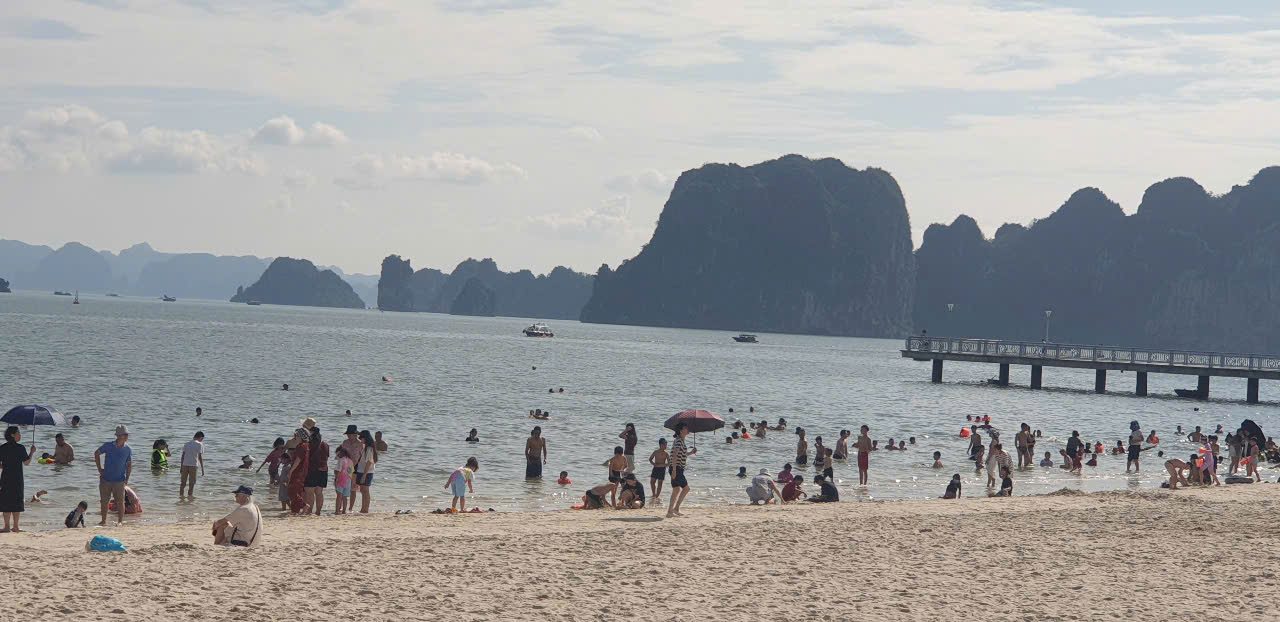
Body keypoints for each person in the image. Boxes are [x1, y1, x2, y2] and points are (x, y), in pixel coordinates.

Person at [0, 426, 36, 532]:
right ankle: (15, 526)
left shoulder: (2, 447)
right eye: (18, 433)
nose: (20, 435)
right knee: (16, 500)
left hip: (5, 477)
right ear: (12, 435)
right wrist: (32, 452)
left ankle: (7, 526)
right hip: (17, 478)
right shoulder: (20, 448)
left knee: (6, 501)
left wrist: (5, 466)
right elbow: (27, 462)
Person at [94, 426, 132, 526]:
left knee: (120, 502)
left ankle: (120, 521)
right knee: (104, 501)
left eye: (127, 434)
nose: (127, 436)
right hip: (105, 479)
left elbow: (129, 464)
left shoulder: (128, 449)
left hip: (120, 480)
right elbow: (96, 453)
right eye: (125, 434)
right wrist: (99, 469)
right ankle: (103, 521)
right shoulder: (108, 446)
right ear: (118, 436)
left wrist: (127, 479)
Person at [666, 423, 697, 518]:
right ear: (681, 431)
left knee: (676, 489)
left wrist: (691, 453)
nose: (687, 429)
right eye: (685, 428)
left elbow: (682, 455)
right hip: (677, 468)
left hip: (676, 468)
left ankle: (670, 511)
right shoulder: (679, 441)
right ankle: (675, 509)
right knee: (686, 489)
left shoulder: (680, 441)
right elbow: (674, 455)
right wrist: (674, 470)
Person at [304, 427, 330, 515]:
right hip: (323, 470)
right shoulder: (325, 444)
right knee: (319, 493)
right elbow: (326, 457)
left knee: (309, 492)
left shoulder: (309, 444)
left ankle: (309, 511)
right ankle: (318, 512)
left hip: (312, 470)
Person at [286, 428, 310, 514]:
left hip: (298, 471)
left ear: (301, 436)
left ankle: (304, 505)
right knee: (297, 491)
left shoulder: (301, 446)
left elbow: (298, 460)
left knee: (291, 490)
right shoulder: (305, 446)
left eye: (296, 435)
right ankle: (295, 511)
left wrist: (291, 471)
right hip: (302, 471)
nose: (295, 437)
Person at [354, 430, 377, 514]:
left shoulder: (369, 448)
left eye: (361, 438)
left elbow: (369, 462)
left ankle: (365, 509)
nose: (360, 440)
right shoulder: (366, 447)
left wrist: (364, 475)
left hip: (367, 472)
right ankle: (363, 508)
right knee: (363, 490)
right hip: (362, 470)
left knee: (365, 490)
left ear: (365, 438)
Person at [179, 431, 205, 498]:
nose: (202, 440)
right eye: (202, 439)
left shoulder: (187, 444)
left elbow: (183, 456)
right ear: (201, 437)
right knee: (192, 483)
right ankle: (190, 496)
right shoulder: (200, 444)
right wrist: (202, 468)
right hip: (193, 465)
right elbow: (200, 457)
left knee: (183, 483)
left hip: (185, 465)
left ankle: (181, 496)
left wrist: (181, 467)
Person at [333, 446, 354, 515]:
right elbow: (351, 472)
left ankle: (337, 511)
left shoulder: (341, 460)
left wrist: (336, 479)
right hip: (348, 480)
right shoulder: (350, 460)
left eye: (337, 453)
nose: (337, 455)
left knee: (339, 496)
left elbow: (338, 470)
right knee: (345, 497)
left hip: (341, 479)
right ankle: (344, 511)